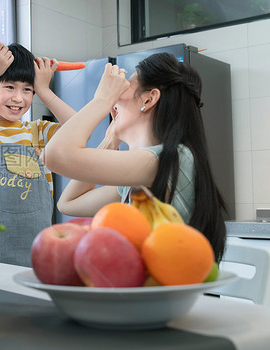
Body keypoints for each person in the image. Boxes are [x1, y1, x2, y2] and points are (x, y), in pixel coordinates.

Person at [43, 53, 227, 262]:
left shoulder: (170, 158)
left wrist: (102, 99)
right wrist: (110, 141)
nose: (113, 103)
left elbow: (54, 155)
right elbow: (68, 203)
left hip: (172, 292)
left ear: (148, 99)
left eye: (122, 90)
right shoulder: (143, 172)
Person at [0, 42, 76, 267]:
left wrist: (44, 90)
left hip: (36, 255)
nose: (19, 98)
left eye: (27, 89)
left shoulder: (38, 132)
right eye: (9, 87)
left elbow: (80, 128)